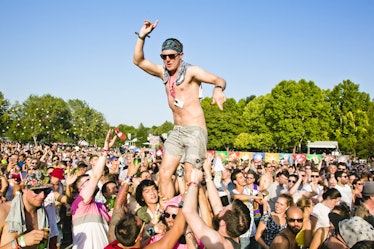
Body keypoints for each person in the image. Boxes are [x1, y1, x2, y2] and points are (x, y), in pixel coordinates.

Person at [133, 20, 227, 199]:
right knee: (164, 175)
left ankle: (190, 218)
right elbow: (138, 60)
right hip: (177, 131)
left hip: (195, 131)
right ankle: (169, 212)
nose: (167, 59)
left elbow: (219, 79)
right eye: (164, 56)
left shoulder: (191, 71)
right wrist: (142, 36)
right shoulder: (164, 73)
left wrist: (218, 89)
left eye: (172, 56)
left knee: (191, 177)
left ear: (180, 55)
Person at [183, 168, 251, 249]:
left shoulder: (218, 243)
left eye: (223, 209)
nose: (222, 208)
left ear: (223, 223)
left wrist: (194, 182)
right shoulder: (232, 234)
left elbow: (188, 211)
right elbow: (216, 204)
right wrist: (207, 173)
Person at [70, 129, 116, 249]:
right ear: (80, 189)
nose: (91, 181)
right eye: (87, 181)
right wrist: (105, 149)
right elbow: (95, 176)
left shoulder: (100, 205)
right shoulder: (80, 203)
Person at [0, 170, 54, 248]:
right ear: (24, 189)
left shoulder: (43, 215)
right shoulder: (4, 211)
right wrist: (21, 241)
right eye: (37, 190)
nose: (42, 195)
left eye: (46, 191)